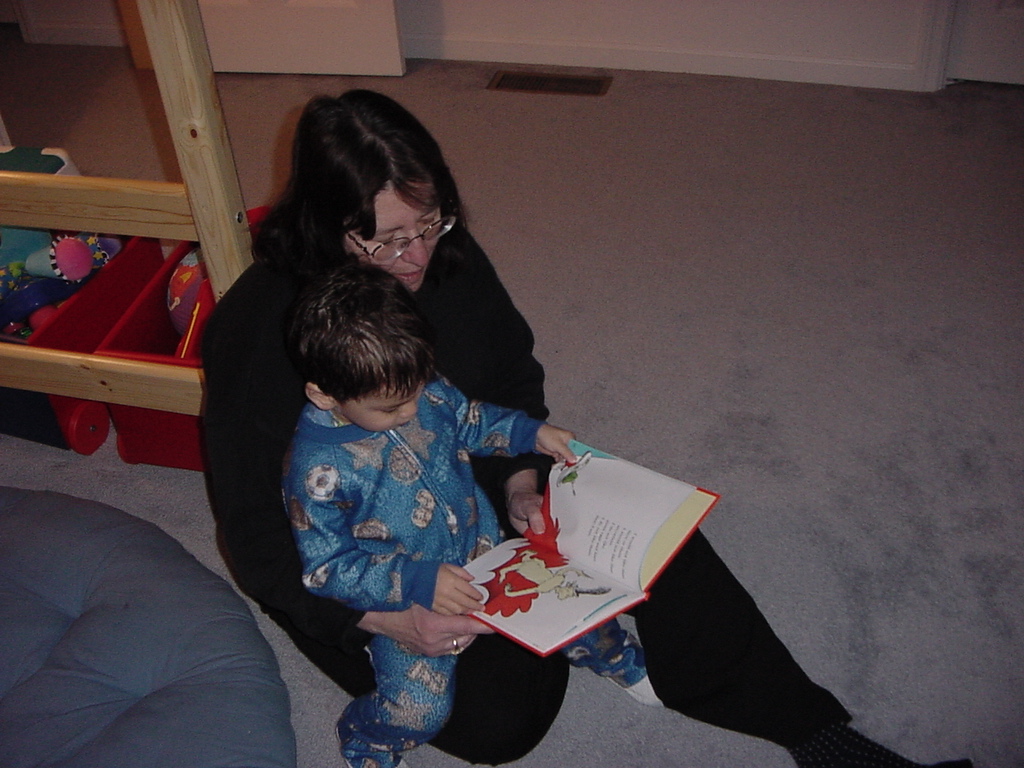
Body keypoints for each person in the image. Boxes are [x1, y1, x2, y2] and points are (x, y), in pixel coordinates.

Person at [202, 89, 971, 768]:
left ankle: (815, 734)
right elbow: (260, 545)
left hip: (470, 485)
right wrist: (384, 618)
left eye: (430, 223)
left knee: (644, 530)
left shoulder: (444, 257)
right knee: (505, 722)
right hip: (362, 562)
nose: (417, 256)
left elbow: (509, 377)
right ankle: (542, 642)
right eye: (390, 239)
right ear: (330, 226)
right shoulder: (261, 333)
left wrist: (522, 482)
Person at [282, 264, 657, 768]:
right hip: (409, 594)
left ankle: (615, 655)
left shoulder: (419, 388)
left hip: (486, 549)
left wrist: (529, 434)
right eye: (391, 408)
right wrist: (415, 582)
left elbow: (468, 418)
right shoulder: (317, 473)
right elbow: (327, 569)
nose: (413, 412)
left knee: (577, 599)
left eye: (419, 391)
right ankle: (367, 737)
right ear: (324, 395)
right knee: (420, 711)